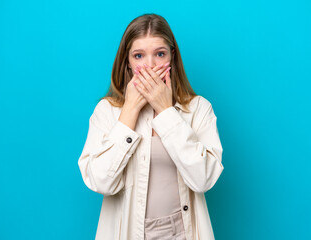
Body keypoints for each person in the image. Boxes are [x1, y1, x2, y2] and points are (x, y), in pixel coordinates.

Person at [77, 13, 224, 240]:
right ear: (127, 61)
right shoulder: (106, 112)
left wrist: (166, 112)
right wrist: (129, 111)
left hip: (183, 232)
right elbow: (100, 182)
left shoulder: (199, 109)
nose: (150, 66)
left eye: (160, 54)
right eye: (139, 56)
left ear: (172, 58)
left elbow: (203, 179)